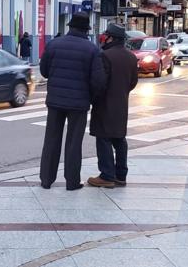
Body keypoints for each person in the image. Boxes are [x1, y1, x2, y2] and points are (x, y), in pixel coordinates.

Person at [39, 12, 107, 190]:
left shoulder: (53, 44)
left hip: (55, 101)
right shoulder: (92, 49)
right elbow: (98, 81)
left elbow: (44, 71)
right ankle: (71, 181)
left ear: (70, 27)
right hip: (79, 104)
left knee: (51, 140)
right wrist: (90, 97)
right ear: (86, 29)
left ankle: (46, 179)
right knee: (74, 143)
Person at [87, 23, 138, 188]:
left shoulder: (105, 56)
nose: (103, 37)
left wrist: (94, 98)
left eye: (105, 35)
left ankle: (107, 175)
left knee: (103, 139)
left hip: (104, 104)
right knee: (119, 139)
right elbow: (133, 82)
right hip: (121, 104)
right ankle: (121, 175)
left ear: (111, 38)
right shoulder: (131, 56)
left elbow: (99, 82)